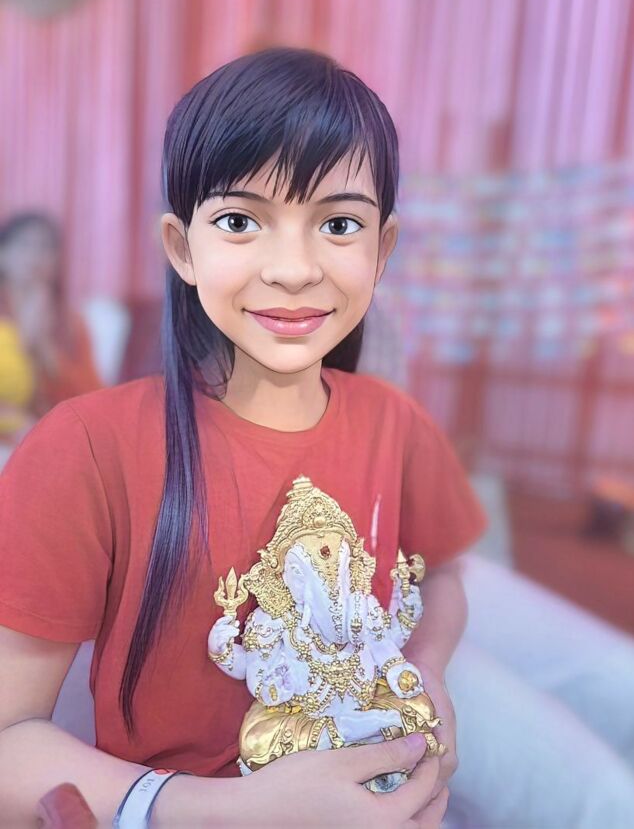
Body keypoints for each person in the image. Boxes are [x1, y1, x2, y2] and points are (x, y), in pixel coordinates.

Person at [0, 47, 486, 827]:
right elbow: (9, 738)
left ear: (382, 249)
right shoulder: (83, 450)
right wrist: (228, 808)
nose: (293, 269)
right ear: (181, 246)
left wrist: (426, 667)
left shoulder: (397, 425)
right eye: (239, 221)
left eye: (338, 223)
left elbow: (447, 573)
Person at [0, 212, 102, 457]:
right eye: (24, 245)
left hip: (48, 437)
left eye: (45, 247)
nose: (34, 256)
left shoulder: (69, 323)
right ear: (3, 255)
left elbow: (91, 397)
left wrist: (44, 353)